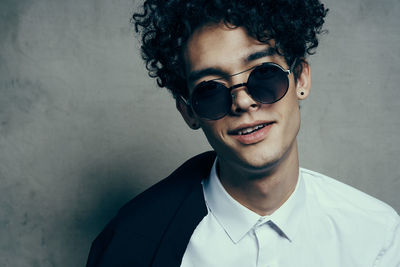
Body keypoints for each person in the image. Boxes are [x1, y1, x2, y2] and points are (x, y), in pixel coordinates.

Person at [86, 0, 400, 266]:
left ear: (301, 79)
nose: (242, 101)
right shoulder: (130, 243)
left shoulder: (376, 235)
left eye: (264, 74)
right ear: (189, 112)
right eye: (211, 90)